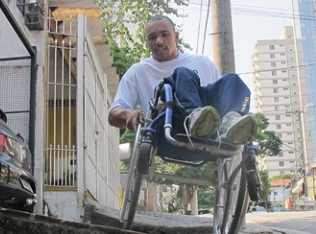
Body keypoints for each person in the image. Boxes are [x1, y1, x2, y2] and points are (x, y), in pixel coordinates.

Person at [108, 14, 256, 145]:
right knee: (183, 74)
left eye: (165, 34)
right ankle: (193, 118)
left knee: (232, 79)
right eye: (152, 37)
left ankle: (230, 122)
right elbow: (113, 113)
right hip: (172, 127)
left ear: (176, 37)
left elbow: (220, 95)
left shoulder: (201, 62)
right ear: (147, 42)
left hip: (212, 130)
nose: (159, 41)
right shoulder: (138, 71)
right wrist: (127, 113)